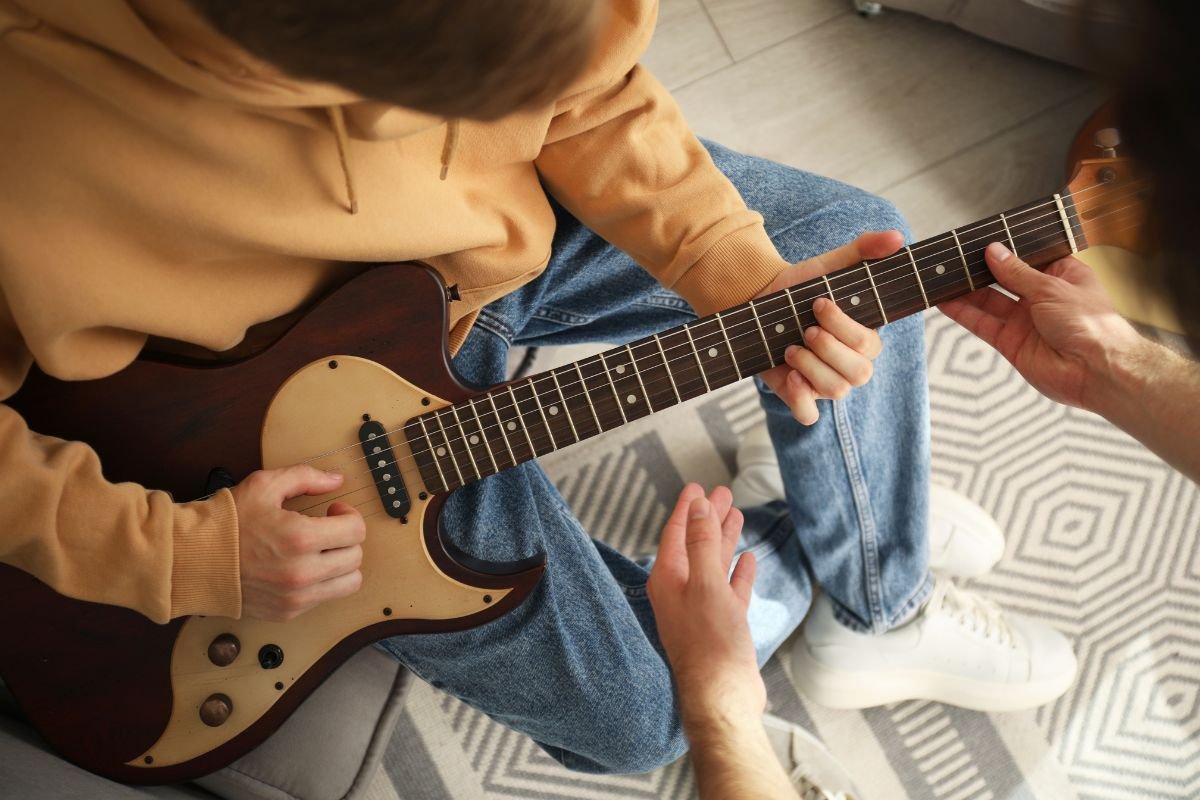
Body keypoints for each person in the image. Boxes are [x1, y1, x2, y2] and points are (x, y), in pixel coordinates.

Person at [0, 0, 1075, 781]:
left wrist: (741, 277)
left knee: (839, 245)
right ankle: (797, 551)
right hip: (271, 448)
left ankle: (874, 607)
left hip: (485, 268)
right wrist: (180, 553)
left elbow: (592, 93)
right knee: (649, 715)